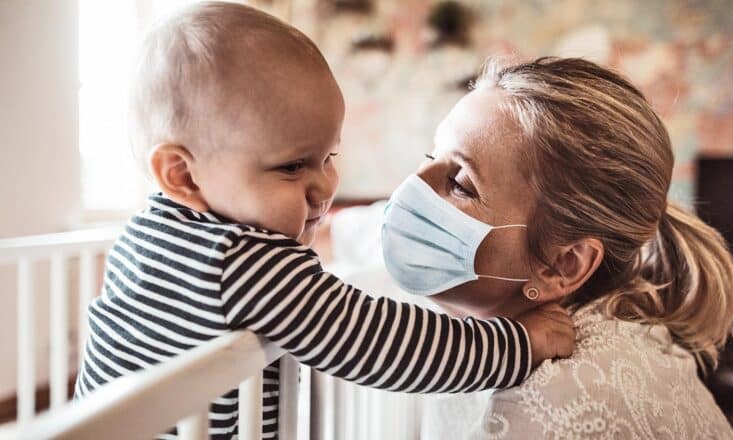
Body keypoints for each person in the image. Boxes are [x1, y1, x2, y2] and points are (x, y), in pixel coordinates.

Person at [73, 4, 576, 439]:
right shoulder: (241, 259)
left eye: (328, 156)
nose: (324, 187)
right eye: (292, 166)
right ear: (182, 174)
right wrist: (519, 343)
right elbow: (381, 343)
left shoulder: (144, 237)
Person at [377, 56, 733, 438]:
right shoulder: (613, 323)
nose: (412, 187)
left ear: (563, 265)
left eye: (461, 183)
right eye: (430, 157)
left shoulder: (548, 405)